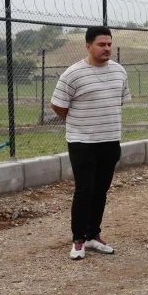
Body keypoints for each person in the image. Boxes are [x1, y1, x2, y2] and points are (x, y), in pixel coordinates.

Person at [50, 26, 131, 260]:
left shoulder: (119, 72)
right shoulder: (73, 74)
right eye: (101, 44)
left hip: (110, 140)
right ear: (88, 46)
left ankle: (93, 235)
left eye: (109, 44)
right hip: (82, 142)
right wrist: (80, 123)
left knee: (101, 190)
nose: (107, 48)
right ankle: (78, 240)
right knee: (84, 190)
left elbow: (119, 101)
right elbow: (58, 105)